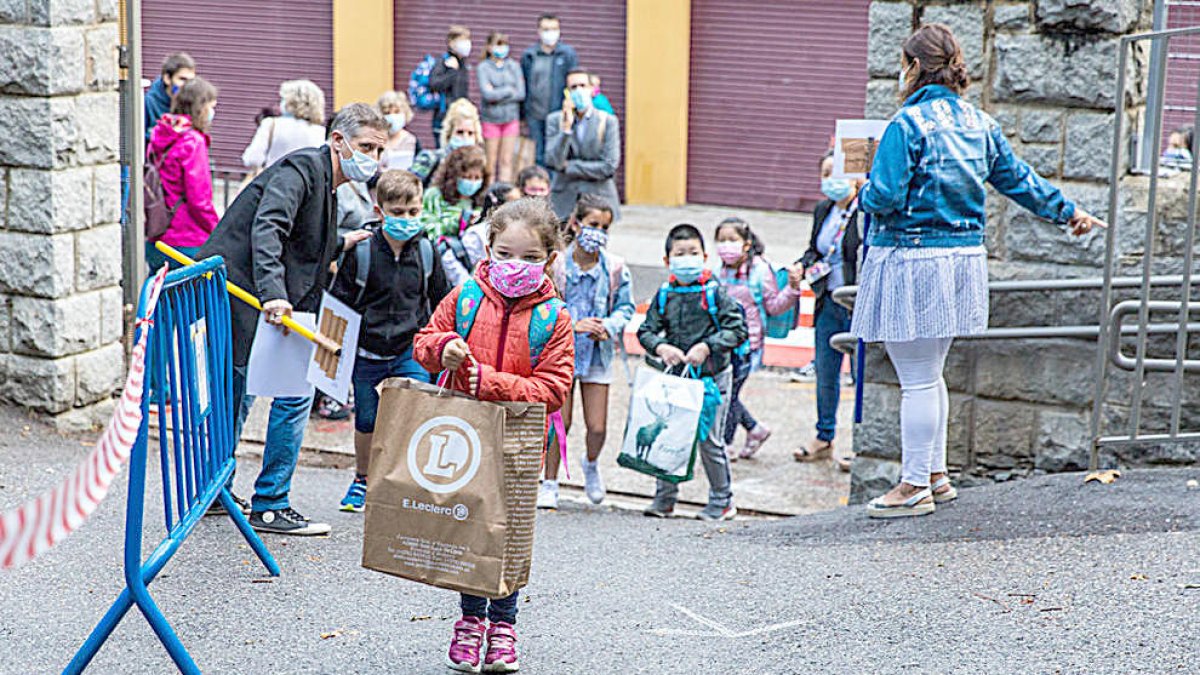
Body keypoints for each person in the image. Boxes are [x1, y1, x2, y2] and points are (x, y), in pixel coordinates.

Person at [854, 23, 1103, 518]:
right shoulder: (980, 123)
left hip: (913, 257)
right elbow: (1017, 179)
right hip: (962, 257)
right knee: (931, 372)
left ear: (913, 68)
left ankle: (911, 485)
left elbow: (883, 195)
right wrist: (1067, 210)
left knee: (918, 378)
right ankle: (935, 474)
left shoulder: (906, 125)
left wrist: (859, 190)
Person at [197, 103, 388, 535]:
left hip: (255, 295)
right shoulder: (302, 168)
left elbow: (302, 240)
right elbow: (269, 230)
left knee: (242, 391)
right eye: (366, 147)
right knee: (286, 394)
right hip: (244, 293)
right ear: (337, 140)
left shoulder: (325, 179)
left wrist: (339, 242)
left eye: (379, 150)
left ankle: (216, 489)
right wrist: (276, 296)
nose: (372, 159)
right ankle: (269, 504)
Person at [413, 199, 573, 673]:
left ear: (549, 257)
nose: (515, 266)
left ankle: (504, 624)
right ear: (488, 247)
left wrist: (489, 382)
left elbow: (554, 389)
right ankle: (469, 622)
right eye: (505, 254)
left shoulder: (555, 318)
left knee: (509, 533)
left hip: (521, 440)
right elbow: (425, 339)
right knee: (468, 526)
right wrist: (442, 348)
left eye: (529, 257)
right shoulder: (464, 297)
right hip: (465, 431)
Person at [329, 171, 450, 513]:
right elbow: (341, 303)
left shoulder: (426, 250)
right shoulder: (362, 252)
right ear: (380, 211)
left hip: (410, 349)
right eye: (398, 212)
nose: (407, 219)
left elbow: (441, 300)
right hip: (367, 350)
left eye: (413, 211)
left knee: (411, 415)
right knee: (367, 419)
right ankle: (362, 479)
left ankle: (402, 481)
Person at [637, 224, 748, 521]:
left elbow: (737, 330)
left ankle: (722, 500)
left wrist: (708, 346)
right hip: (675, 379)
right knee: (669, 435)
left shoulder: (715, 292)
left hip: (713, 379)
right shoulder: (664, 294)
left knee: (709, 441)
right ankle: (664, 499)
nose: (687, 258)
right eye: (680, 253)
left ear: (704, 256)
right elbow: (646, 331)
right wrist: (661, 347)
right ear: (667, 260)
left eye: (693, 253)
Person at [539, 194, 633, 510]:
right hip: (561, 353)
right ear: (576, 224)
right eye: (593, 225)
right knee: (557, 423)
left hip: (596, 354)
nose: (599, 233)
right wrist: (573, 324)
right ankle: (549, 481)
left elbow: (625, 307)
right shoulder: (557, 264)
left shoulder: (616, 267)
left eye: (605, 227)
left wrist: (608, 325)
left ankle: (590, 464)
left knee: (597, 426)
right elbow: (545, 306)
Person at [712, 217, 803, 460]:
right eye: (721, 240)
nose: (726, 246)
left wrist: (793, 289)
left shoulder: (761, 271)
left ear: (746, 243)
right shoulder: (718, 271)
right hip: (721, 344)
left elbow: (773, 305)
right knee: (725, 392)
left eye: (732, 240)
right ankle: (755, 429)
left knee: (729, 393)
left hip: (746, 346)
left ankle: (726, 443)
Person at [795, 152, 863, 471]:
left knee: (861, 374)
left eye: (836, 172)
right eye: (825, 173)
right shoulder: (823, 210)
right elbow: (815, 250)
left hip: (856, 302)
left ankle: (862, 444)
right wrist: (802, 266)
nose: (831, 180)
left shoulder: (864, 212)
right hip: (827, 301)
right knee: (825, 372)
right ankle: (824, 436)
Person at [145, 77, 219, 272]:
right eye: (211, 107)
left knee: (159, 296)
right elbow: (199, 199)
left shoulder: (160, 134)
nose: (212, 113)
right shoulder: (193, 142)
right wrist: (217, 230)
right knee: (193, 299)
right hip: (187, 239)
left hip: (157, 234)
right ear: (200, 107)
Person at [545, 69, 621, 222]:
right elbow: (553, 161)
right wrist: (566, 130)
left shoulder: (607, 121)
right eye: (573, 87)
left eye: (583, 85)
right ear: (566, 92)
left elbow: (609, 166)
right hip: (563, 202)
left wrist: (570, 167)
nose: (578, 91)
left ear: (592, 89)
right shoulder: (555, 120)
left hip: (598, 200)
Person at [422, 145, 490, 287]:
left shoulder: (483, 201)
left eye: (477, 177)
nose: (472, 182)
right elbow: (427, 229)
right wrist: (458, 221)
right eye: (466, 177)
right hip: (441, 263)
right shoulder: (434, 195)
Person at [521, 14, 578, 168]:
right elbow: (524, 84)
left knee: (557, 153)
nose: (550, 33)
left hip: (558, 113)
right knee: (539, 155)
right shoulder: (529, 55)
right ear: (538, 31)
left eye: (554, 29)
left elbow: (573, 83)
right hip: (535, 114)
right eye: (546, 29)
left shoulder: (567, 54)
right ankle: (541, 188)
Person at [241, 80, 327, 172]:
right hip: (306, 184)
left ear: (290, 103)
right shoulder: (321, 132)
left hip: (274, 181)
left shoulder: (271, 124)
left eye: (283, 99)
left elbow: (252, 159)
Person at [478, 32, 525, 184]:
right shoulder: (483, 67)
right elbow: (487, 95)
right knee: (490, 163)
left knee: (506, 160)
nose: (501, 48)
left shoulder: (514, 66)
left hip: (511, 119)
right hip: (491, 119)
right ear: (489, 47)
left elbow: (521, 93)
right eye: (498, 44)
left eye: (504, 44)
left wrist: (497, 91)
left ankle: (504, 195)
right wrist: (508, 90)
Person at [410, 99, 482, 186]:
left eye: (470, 133)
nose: (465, 137)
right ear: (449, 134)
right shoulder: (429, 158)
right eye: (460, 132)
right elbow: (408, 189)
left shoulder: (480, 166)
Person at [462, 181, 521, 271]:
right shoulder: (476, 234)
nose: (518, 208)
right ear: (496, 205)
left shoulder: (521, 231)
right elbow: (464, 267)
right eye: (513, 203)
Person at [429, 24, 473, 146]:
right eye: (462, 40)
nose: (466, 44)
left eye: (467, 40)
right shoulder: (443, 62)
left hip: (460, 115)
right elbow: (434, 84)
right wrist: (452, 72)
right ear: (451, 43)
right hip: (443, 116)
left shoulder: (463, 63)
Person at [144, 52, 195, 141]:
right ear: (167, 78)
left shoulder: (192, 103)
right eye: (182, 79)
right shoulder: (148, 103)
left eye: (191, 81)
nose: (187, 85)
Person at [378, 90, 420, 171]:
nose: (392, 116)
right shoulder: (375, 141)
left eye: (397, 112)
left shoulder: (413, 141)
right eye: (387, 113)